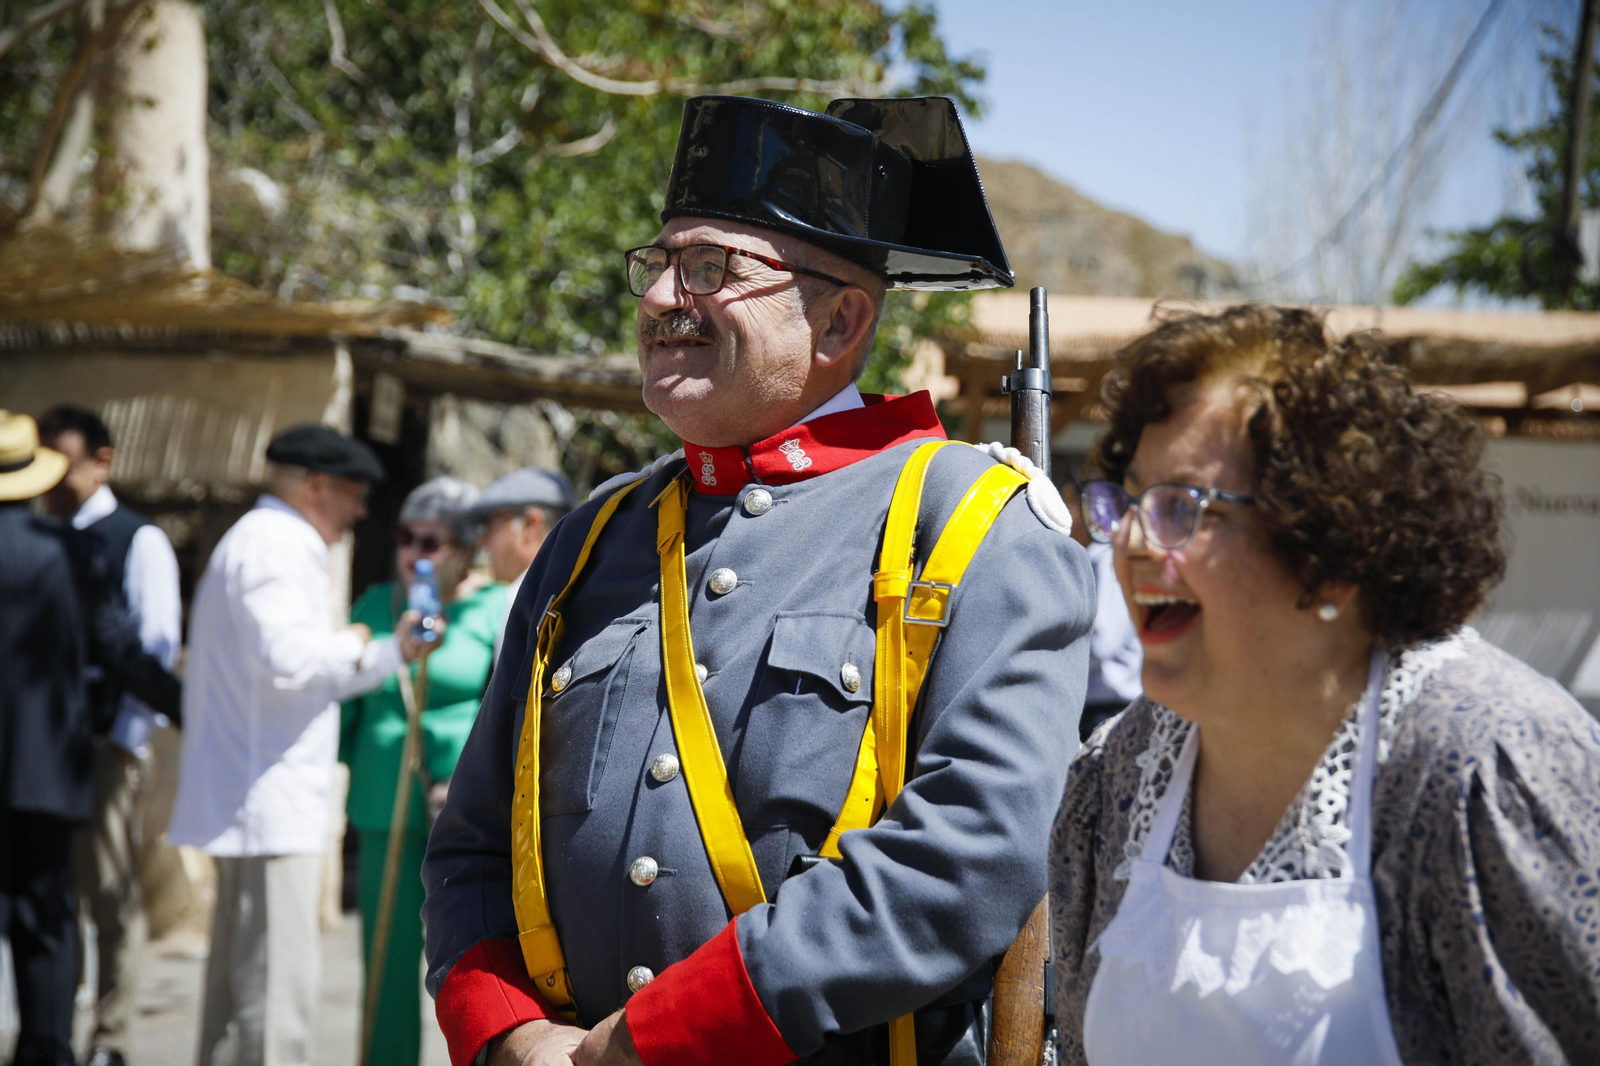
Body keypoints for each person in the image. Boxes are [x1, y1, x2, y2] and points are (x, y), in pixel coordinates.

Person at [423, 95, 1094, 1066]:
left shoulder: (969, 524)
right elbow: (477, 841)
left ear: (840, 318)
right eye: (655, 266)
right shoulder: (588, 539)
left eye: (709, 270)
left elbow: (972, 853)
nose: (659, 300)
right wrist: (509, 1035)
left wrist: (657, 1038)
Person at [1048, 304, 1600, 1065]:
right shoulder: (1117, 774)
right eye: (1132, 499)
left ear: (1329, 548)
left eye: (1183, 507)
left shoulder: (1487, 769)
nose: (1133, 542)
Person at [168, 424, 439, 1066]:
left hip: (257, 798)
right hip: (268, 803)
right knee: (272, 1003)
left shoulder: (261, 541)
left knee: (238, 1000)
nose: (361, 511)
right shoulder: (277, 545)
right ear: (317, 486)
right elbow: (291, 662)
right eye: (353, 493)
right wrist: (366, 645)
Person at [340, 476, 505, 1066]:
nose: (414, 553)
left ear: (464, 547)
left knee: (469, 959)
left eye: (430, 542)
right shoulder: (375, 604)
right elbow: (346, 707)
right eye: (406, 538)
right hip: (383, 797)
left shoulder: (495, 607)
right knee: (383, 958)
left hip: (461, 809)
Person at [37, 402, 183, 1066]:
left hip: (103, 745)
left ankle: (111, 1036)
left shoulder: (136, 539)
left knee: (110, 900)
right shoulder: (42, 532)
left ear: (102, 462)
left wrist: (129, 737)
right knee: (51, 898)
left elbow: (153, 643)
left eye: (62, 463)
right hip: (48, 748)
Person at [0, 411, 88, 1066]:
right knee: (47, 928)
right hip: (44, 773)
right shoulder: (62, 549)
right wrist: (180, 704)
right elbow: (112, 645)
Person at [1059, 478, 1142, 742]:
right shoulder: (1090, 559)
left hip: (1109, 708)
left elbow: (1104, 640)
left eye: (1069, 501)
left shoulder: (1103, 560)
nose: (1063, 509)